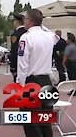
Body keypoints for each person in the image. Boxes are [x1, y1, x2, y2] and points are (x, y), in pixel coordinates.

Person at [17, 9, 59, 137]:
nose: (24, 21)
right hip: (46, 81)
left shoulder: (26, 37)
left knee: (31, 121)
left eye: (25, 18)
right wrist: (41, 25)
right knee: (45, 120)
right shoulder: (49, 36)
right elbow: (57, 37)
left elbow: (22, 64)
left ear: (29, 21)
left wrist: (21, 84)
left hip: (31, 82)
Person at [9, 13, 27, 83]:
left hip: (19, 63)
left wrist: (13, 67)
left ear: (16, 22)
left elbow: (14, 50)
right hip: (28, 63)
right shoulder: (28, 32)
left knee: (18, 85)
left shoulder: (15, 34)